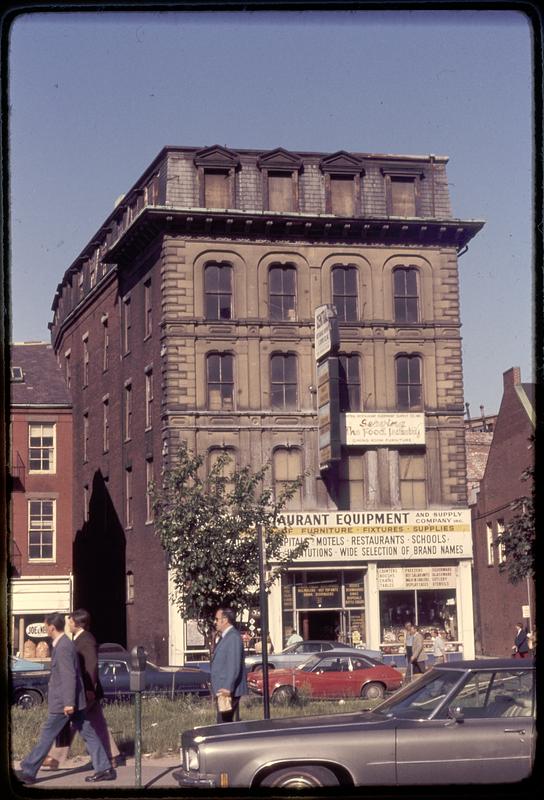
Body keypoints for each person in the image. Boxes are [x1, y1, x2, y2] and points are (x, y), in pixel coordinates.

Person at [17, 613, 114, 785]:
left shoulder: (62, 647)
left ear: (51, 627)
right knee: (88, 733)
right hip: (72, 700)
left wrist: (69, 702)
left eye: (46, 626)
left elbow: (69, 676)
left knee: (47, 734)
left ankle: (29, 770)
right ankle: (104, 768)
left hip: (64, 702)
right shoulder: (64, 644)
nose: (45, 628)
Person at [43, 609, 121, 770]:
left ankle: (55, 757)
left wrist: (90, 690)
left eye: (71, 621)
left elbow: (91, 666)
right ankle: (110, 756)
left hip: (86, 691)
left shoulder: (86, 640)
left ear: (78, 623)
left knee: (69, 721)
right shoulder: (79, 639)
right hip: (85, 691)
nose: (68, 624)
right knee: (97, 724)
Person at [210, 607, 247, 723]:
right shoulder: (225, 637)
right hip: (223, 690)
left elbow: (233, 665)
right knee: (224, 723)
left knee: (223, 725)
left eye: (217, 619)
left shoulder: (233, 638)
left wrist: (228, 687)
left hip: (227, 691)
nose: (215, 622)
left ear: (225, 620)